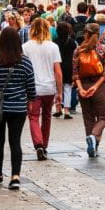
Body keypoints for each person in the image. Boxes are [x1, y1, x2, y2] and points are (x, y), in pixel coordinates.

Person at [0, 27, 36, 189]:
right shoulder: (25, 61)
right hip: (18, 108)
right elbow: (31, 87)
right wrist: (30, 100)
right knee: (15, 142)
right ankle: (15, 176)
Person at [22, 18, 62, 160]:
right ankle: (44, 145)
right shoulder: (53, 47)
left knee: (33, 117)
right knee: (47, 117)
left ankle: (38, 144)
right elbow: (57, 71)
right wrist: (60, 91)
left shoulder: (26, 47)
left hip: (32, 88)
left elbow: (23, 69)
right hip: (49, 87)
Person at [73, 23, 105, 157]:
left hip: (83, 85)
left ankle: (92, 143)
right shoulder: (103, 49)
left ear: (85, 34)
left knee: (88, 117)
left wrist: (80, 88)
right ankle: (94, 137)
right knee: (103, 116)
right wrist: (96, 86)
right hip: (98, 85)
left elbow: (75, 73)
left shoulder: (78, 50)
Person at [53, 21, 78, 119]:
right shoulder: (71, 42)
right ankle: (67, 110)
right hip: (68, 66)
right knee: (67, 88)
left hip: (57, 66)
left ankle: (58, 108)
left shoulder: (54, 41)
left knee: (57, 88)